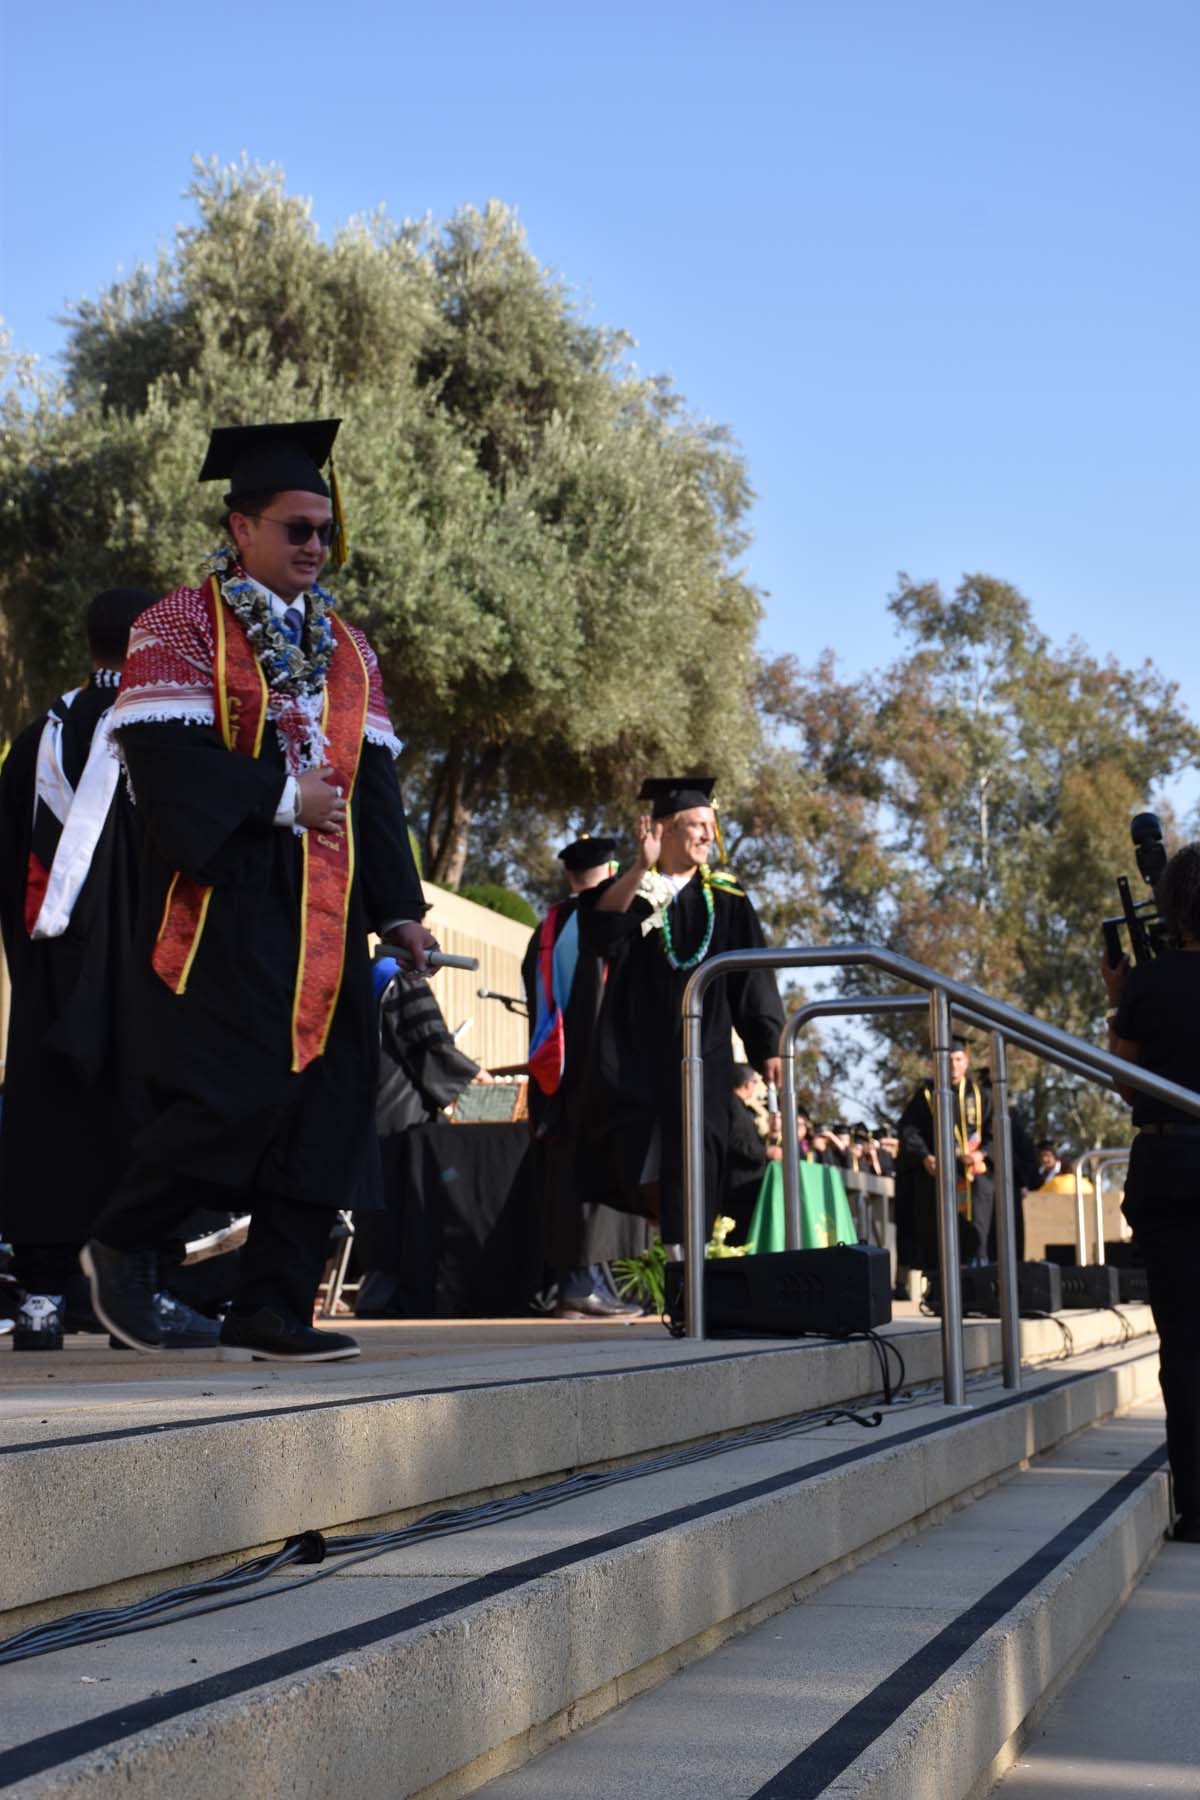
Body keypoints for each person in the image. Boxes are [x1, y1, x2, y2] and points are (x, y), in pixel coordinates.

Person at [80, 419, 435, 1362]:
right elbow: (164, 764)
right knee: (234, 1093)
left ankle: (274, 1309)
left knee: (327, 1104)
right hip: (228, 897)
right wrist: (281, 798)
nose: (316, 546)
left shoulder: (349, 651)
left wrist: (400, 908)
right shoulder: (177, 625)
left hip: (333, 900)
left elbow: (377, 786)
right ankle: (122, 1239)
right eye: (296, 528)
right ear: (242, 528)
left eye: (325, 530)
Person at [0, 588, 212, 1350]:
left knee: (47, 1121)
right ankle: (134, 1299)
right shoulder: (161, 731)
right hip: (140, 968)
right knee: (141, 1119)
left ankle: (41, 1303)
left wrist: (34, 969)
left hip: (51, 969)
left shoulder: (34, 741)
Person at [577, 778, 784, 1250]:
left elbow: (754, 979)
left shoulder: (728, 898)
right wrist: (639, 866)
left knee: (700, 1159)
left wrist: (768, 1043)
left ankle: (688, 1264)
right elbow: (600, 934)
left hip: (705, 1059)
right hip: (637, 1057)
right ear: (665, 830)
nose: (708, 836)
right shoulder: (639, 890)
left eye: (711, 826)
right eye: (696, 825)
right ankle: (662, 1257)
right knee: (630, 1155)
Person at [1103, 842, 1200, 1542]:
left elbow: (1127, 1081)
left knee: (1183, 1346)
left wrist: (1120, 1003)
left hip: (1167, 1167)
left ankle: (1196, 1507)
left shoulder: (1150, 982)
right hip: (1170, 1173)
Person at [522, 835, 641, 1318]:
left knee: (564, 1177)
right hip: (590, 1072)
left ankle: (581, 1284)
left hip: (554, 1070)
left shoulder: (547, 927)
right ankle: (579, 1286)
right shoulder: (594, 925)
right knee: (584, 1178)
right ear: (611, 871)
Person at [896, 1036, 994, 1269]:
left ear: (967, 1062)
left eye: (959, 1059)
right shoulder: (926, 1095)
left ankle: (978, 1284)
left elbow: (996, 1132)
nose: (953, 1065)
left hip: (974, 1179)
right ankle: (938, 1293)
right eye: (948, 1060)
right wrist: (925, 1156)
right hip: (938, 1177)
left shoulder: (981, 1096)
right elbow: (909, 1130)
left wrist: (982, 1153)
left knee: (977, 1233)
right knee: (937, 1233)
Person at [723, 1063, 771, 1232]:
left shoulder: (741, 1107)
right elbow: (736, 1143)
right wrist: (767, 1152)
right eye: (756, 1082)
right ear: (748, 1084)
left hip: (747, 1186)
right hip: (739, 1188)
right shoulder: (733, 1106)